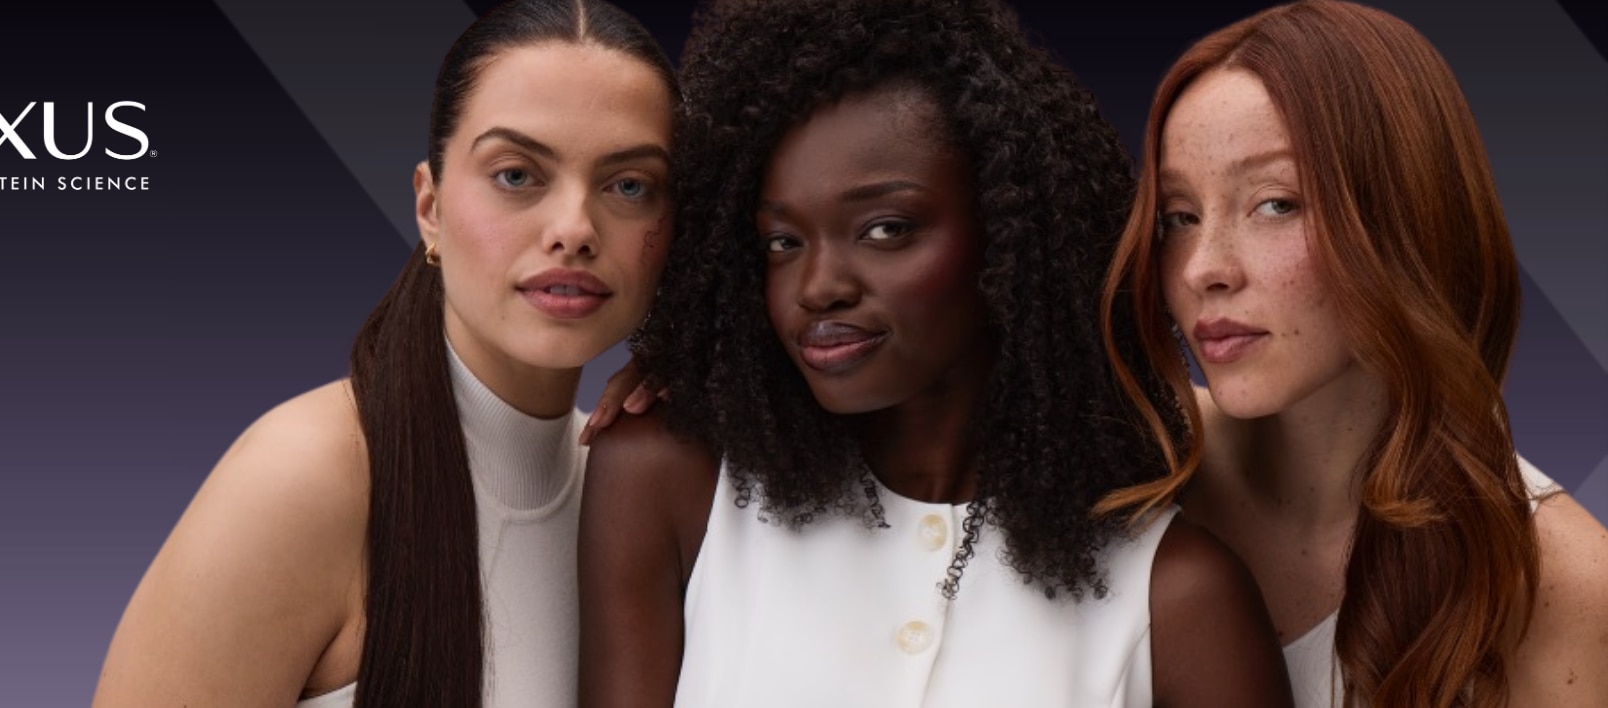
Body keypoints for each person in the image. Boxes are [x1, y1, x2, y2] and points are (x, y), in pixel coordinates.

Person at [579, 0, 1289, 705]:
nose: (817, 287)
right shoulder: (672, 484)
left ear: (1010, 237)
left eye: (886, 229)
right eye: (782, 243)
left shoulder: (1176, 595)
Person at [91, 1, 676, 706]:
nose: (575, 228)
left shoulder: (639, 492)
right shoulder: (308, 478)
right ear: (430, 209)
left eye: (630, 186)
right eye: (517, 175)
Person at [1093, 1, 1608, 706]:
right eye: (1179, 217)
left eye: (1275, 203)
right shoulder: (1128, 468)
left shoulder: (1558, 579)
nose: (1201, 268)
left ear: (1409, 215)